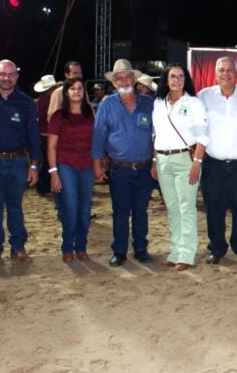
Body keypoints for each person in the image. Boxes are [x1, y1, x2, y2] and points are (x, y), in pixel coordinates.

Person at [92, 59, 155, 266]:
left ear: (135, 79)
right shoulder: (107, 104)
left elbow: (157, 135)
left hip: (144, 167)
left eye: (128, 76)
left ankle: (140, 249)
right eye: (119, 78)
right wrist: (97, 164)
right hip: (119, 168)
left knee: (140, 209)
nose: (123, 80)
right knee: (120, 211)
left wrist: (154, 161)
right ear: (114, 82)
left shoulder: (148, 103)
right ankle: (119, 251)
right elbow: (99, 135)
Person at [0, 60, 41, 265]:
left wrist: (34, 164)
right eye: (2, 74)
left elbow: (33, 135)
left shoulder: (27, 103)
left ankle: (18, 248)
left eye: (11, 74)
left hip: (18, 161)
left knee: (15, 207)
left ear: (17, 76)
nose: (7, 78)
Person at [198, 57, 237, 265]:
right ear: (215, 74)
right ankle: (217, 248)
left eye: (230, 70)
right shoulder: (203, 96)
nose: (226, 74)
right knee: (214, 208)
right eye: (221, 70)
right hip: (214, 165)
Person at [151, 63, 209, 271]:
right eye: (172, 76)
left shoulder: (194, 103)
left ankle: (187, 254)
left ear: (186, 79)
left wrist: (197, 162)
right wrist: (155, 161)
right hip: (163, 160)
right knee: (173, 208)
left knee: (186, 207)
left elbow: (203, 136)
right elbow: (155, 134)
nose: (176, 80)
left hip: (186, 160)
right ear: (166, 80)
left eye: (181, 76)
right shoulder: (159, 103)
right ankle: (175, 250)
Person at [47, 77, 95, 262]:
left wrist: (99, 162)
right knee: (71, 207)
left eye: (80, 88)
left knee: (84, 210)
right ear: (66, 92)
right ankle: (68, 247)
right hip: (66, 164)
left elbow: (96, 140)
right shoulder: (59, 116)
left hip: (87, 165)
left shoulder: (89, 113)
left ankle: (81, 246)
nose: (76, 91)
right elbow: (51, 146)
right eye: (73, 88)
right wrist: (53, 173)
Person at [34, 75, 62, 196]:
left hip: (43, 134)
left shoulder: (42, 99)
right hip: (47, 134)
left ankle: (43, 186)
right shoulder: (49, 99)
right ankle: (43, 187)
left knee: (46, 162)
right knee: (48, 162)